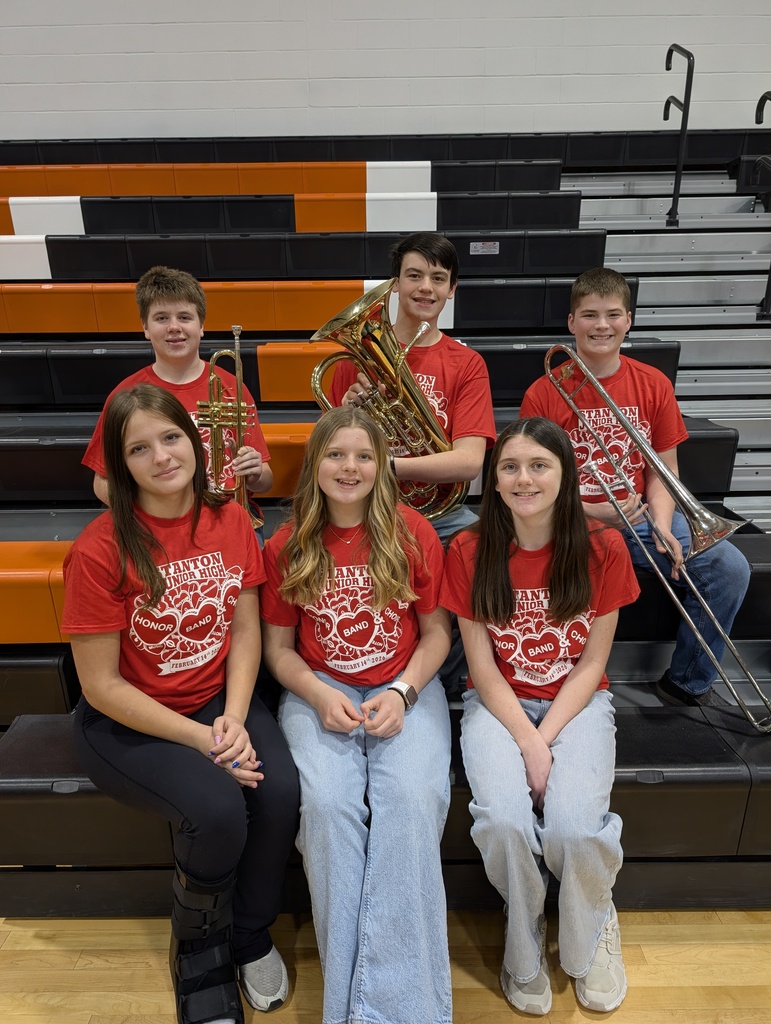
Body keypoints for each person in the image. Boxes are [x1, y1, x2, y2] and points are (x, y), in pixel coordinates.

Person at [62, 383, 300, 1024]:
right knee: (220, 809)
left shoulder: (229, 516)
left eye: (170, 438)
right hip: (129, 722)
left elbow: (246, 629)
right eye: (139, 448)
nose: (161, 456)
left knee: (278, 793)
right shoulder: (99, 547)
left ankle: (249, 935)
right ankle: (198, 948)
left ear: (193, 442)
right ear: (118, 464)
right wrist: (206, 742)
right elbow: (101, 687)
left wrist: (234, 713)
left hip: (218, 701)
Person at [259, 404, 453, 1024]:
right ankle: (359, 1005)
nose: (350, 467)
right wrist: (317, 696)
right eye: (336, 455)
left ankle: (394, 1009)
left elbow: (436, 637)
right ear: (314, 465)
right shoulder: (288, 544)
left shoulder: (413, 532)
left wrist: (403, 692)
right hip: (318, 688)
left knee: (413, 804)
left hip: (403, 688)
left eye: (364, 456)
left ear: (382, 466)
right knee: (325, 808)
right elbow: (278, 653)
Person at [440, 417, 640, 1015]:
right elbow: (481, 668)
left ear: (563, 475)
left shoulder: (603, 547)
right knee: (502, 821)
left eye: (539, 466)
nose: (524, 478)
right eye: (510, 467)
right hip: (498, 703)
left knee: (575, 829)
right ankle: (522, 923)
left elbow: (591, 664)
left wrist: (544, 738)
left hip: (575, 703)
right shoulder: (469, 549)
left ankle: (592, 924)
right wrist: (527, 741)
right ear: (494, 481)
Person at [520, 266, 751, 707]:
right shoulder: (545, 392)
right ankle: (563, 686)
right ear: (571, 323)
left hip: (643, 516)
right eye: (589, 315)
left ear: (629, 320)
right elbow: (531, 484)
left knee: (729, 568)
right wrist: (592, 514)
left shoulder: (653, 384)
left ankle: (687, 681)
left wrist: (663, 523)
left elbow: (664, 470)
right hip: (570, 519)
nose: (601, 325)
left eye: (612, 315)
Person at [328, 231, 496, 544]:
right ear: (395, 284)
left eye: (438, 278)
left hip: (441, 513)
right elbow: (329, 456)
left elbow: (469, 462)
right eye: (414, 275)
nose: (425, 288)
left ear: (451, 289)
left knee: (485, 546)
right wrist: (348, 416)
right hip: (365, 505)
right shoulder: (356, 359)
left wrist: (386, 466)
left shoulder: (467, 363)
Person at [82, 265, 273, 536]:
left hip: (230, 517)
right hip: (161, 525)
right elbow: (103, 483)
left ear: (201, 326)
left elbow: (265, 481)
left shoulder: (231, 386)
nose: (174, 328)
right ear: (145, 328)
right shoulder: (127, 394)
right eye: (161, 318)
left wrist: (254, 471)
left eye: (184, 317)